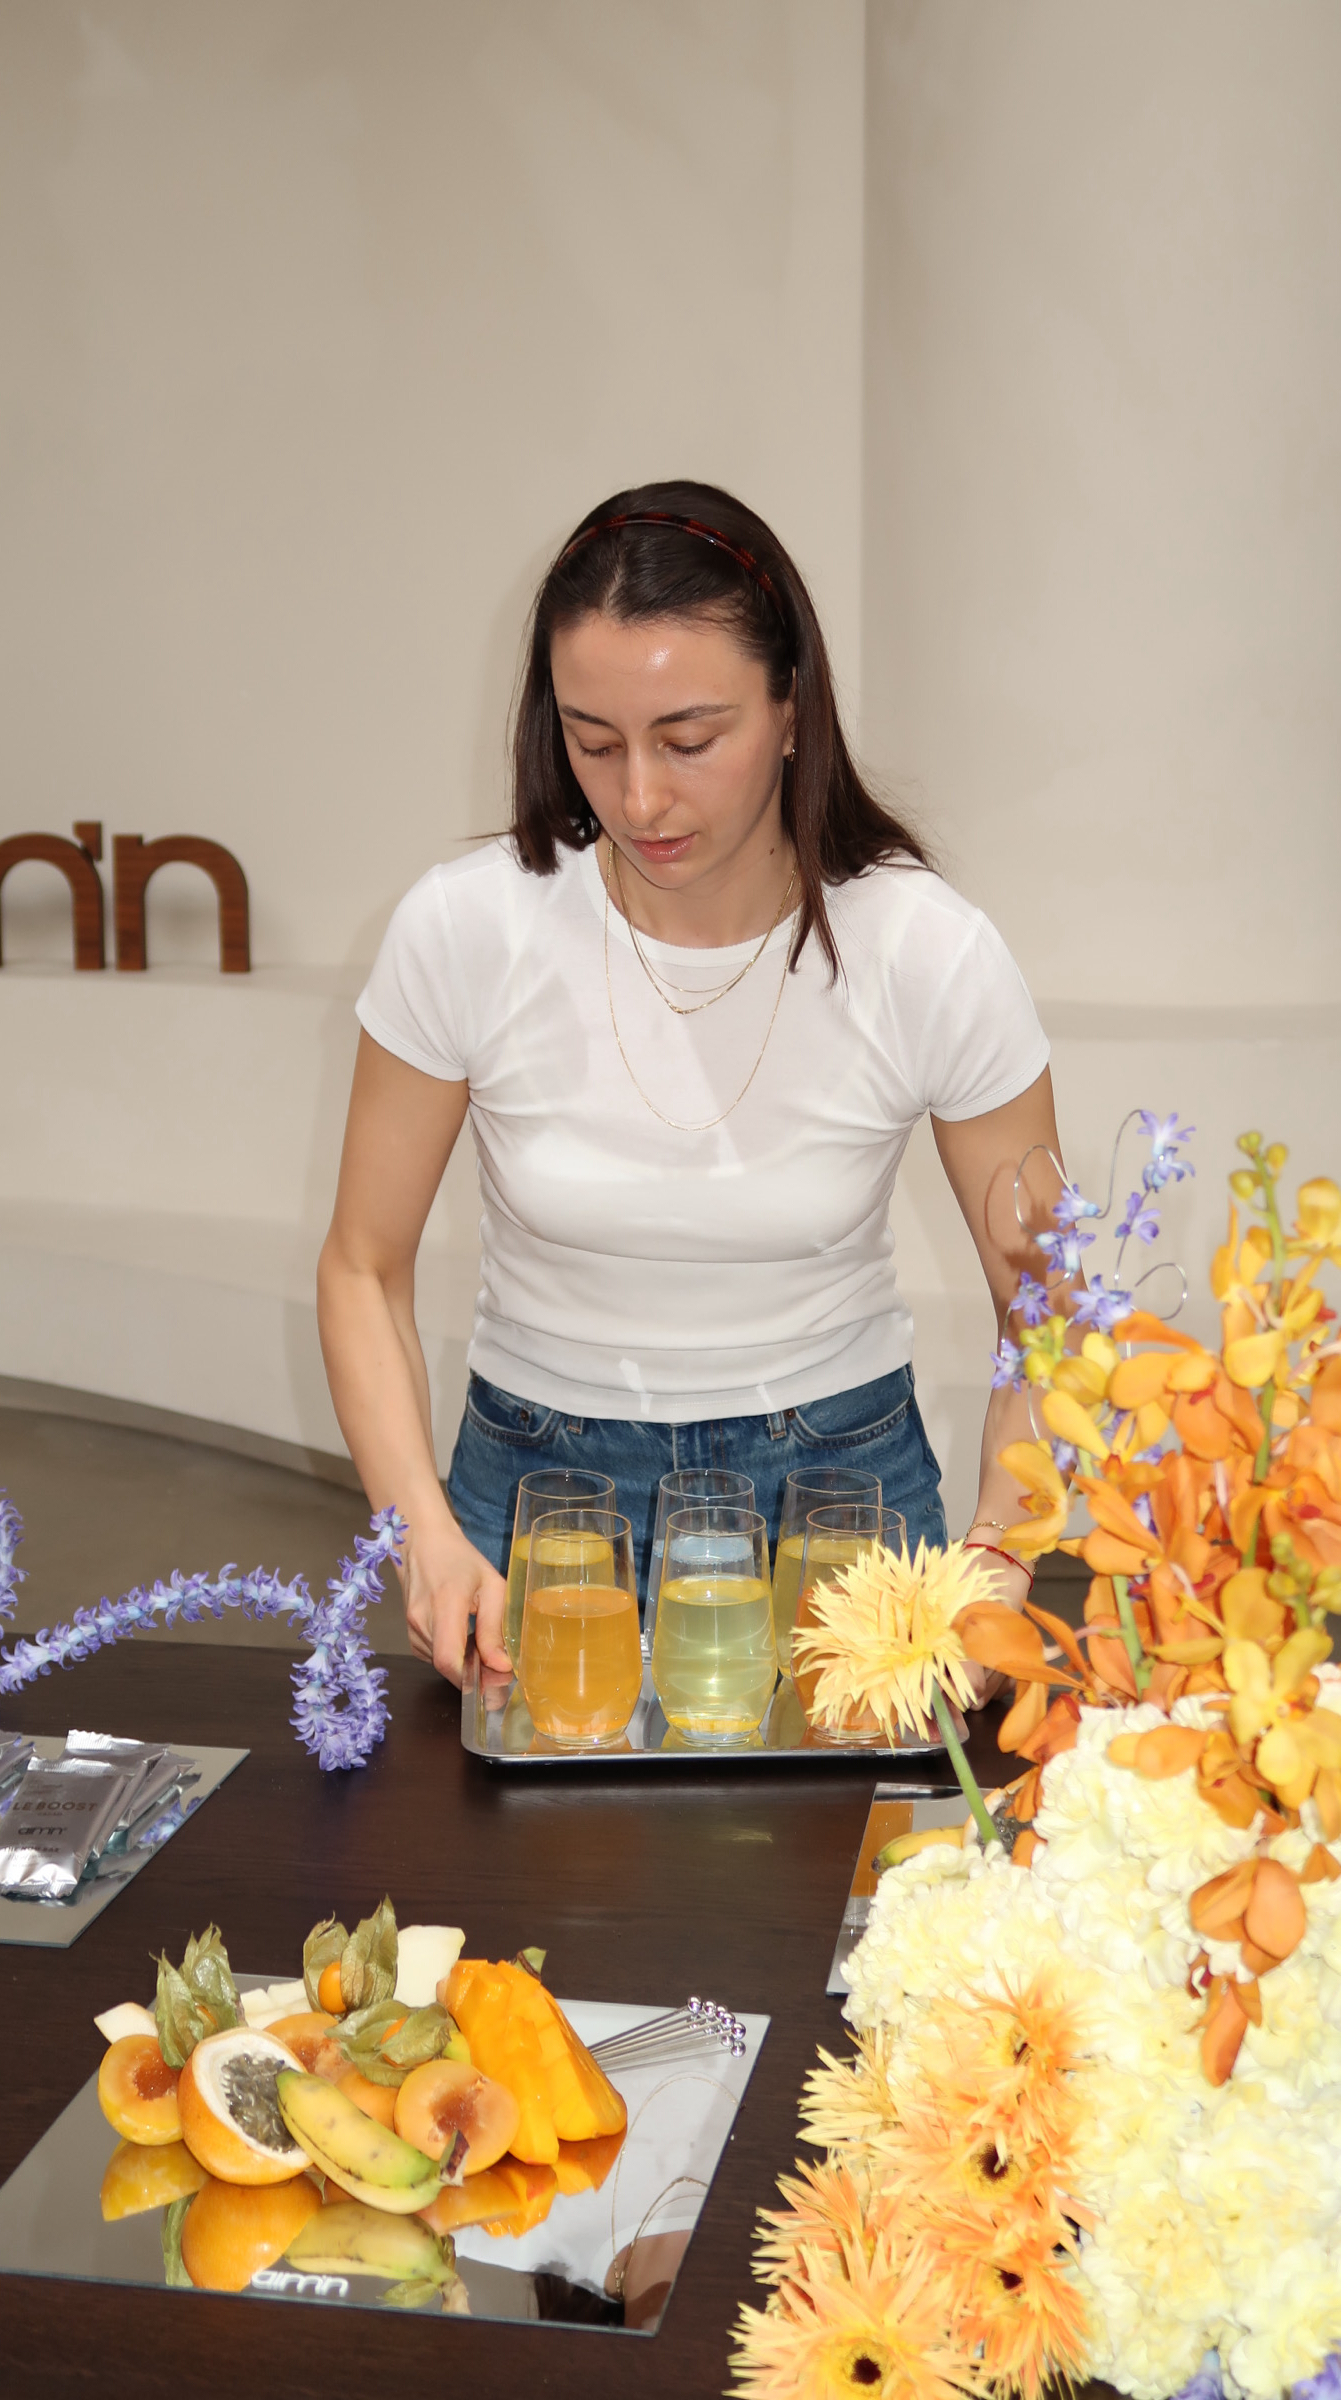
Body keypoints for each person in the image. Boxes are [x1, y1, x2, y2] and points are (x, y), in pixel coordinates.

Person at [319, 480, 1065, 1688]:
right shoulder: (467, 929)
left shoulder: (924, 949)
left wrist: (999, 1556)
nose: (639, 799)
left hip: (840, 1500)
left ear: (790, 708)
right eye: (593, 742)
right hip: (541, 1499)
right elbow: (361, 1265)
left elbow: (1050, 1306)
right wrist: (424, 1538)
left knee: (863, 1819)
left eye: (689, 740)